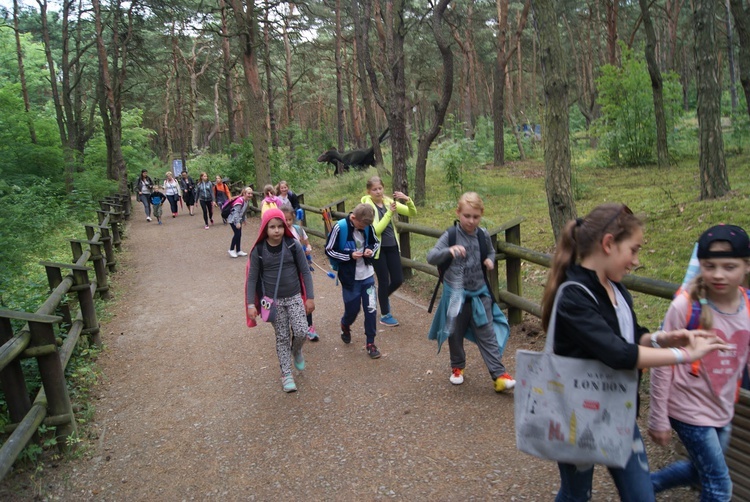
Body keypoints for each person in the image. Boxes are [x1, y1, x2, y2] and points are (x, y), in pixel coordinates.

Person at [540, 203, 729, 502]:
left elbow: (632, 335)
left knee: (641, 496)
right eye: (634, 250)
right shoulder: (574, 294)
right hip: (575, 417)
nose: (636, 261)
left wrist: (665, 339)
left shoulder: (617, 289)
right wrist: (685, 356)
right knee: (576, 495)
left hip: (618, 413)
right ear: (608, 244)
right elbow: (618, 353)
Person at [649, 224, 750, 501]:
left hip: (723, 407)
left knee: (698, 471)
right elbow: (662, 362)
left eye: (729, 267)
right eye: (710, 266)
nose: (718, 275)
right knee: (719, 485)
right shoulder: (685, 306)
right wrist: (658, 417)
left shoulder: (748, 305)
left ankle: (641, 486)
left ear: (746, 266)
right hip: (688, 409)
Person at [426, 192, 514, 392]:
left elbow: (490, 251)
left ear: (481, 215)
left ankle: (499, 376)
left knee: (487, 333)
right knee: (455, 333)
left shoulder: (483, 234)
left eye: (475, 216)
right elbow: (431, 256)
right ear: (458, 213)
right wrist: (449, 251)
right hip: (456, 295)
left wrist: (490, 260)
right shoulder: (451, 235)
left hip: (480, 293)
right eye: (467, 216)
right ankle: (457, 367)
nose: (471, 221)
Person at [245, 208, 315, 393]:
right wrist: (251, 304)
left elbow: (305, 271)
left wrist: (310, 297)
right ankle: (286, 374)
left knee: (301, 331)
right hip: (273, 302)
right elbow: (252, 279)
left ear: (285, 226)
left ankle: (297, 350)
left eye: (280, 226)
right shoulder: (259, 251)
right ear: (265, 229)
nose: (276, 231)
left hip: (294, 297)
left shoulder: (293, 244)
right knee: (282, 337)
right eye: (272, 227)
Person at [325, 203, 381, 359]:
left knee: (371, 309)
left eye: (366, 225)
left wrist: (370, 250)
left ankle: (370, 342)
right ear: (353, 217)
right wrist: (349, 256)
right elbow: (329, 249)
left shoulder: (368, 226)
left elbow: (375, 242)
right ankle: (345, 324)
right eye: (361, 225)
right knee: (353, 309)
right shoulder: (339, 228)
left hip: (368, 275)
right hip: (350, 278)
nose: (364, 228)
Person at [361, 176, 417, 326]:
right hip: (378, 249)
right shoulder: (367, 207)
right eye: (374, 189)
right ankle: (385, 314)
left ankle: (382, 298)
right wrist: (389, 214)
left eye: (380, 188)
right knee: (384, 280)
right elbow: (376, 230)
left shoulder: (388, 202)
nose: (378, 191)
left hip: (392, 246)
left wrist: (407, 199)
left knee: (398, 279)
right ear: (369, 191)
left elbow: (412, 213)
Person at [280, 203, 319, 341]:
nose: (287, 222)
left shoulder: (298, 229)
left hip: (301, 269)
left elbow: (307, 243)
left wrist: (307, 248)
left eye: (289, 219)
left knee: (306, 296)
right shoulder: (279, 234)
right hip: (288, 273)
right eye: (284, 220)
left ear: (293, 219)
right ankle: (295, 327)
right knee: (292, 299)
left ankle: (309, 326)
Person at [227, 187, 253, 258]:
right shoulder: (239, 200)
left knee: (239, 234)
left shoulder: (246, 201)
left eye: (251, 193)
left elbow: (243, 211)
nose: (250, 195)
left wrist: (244, 219)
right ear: (244, 193)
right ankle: (231, 249)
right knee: (237, 234)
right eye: (248, 193)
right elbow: (236, 212)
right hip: (233, 219)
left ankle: (238, 250)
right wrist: (237, 222)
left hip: (239, 219)